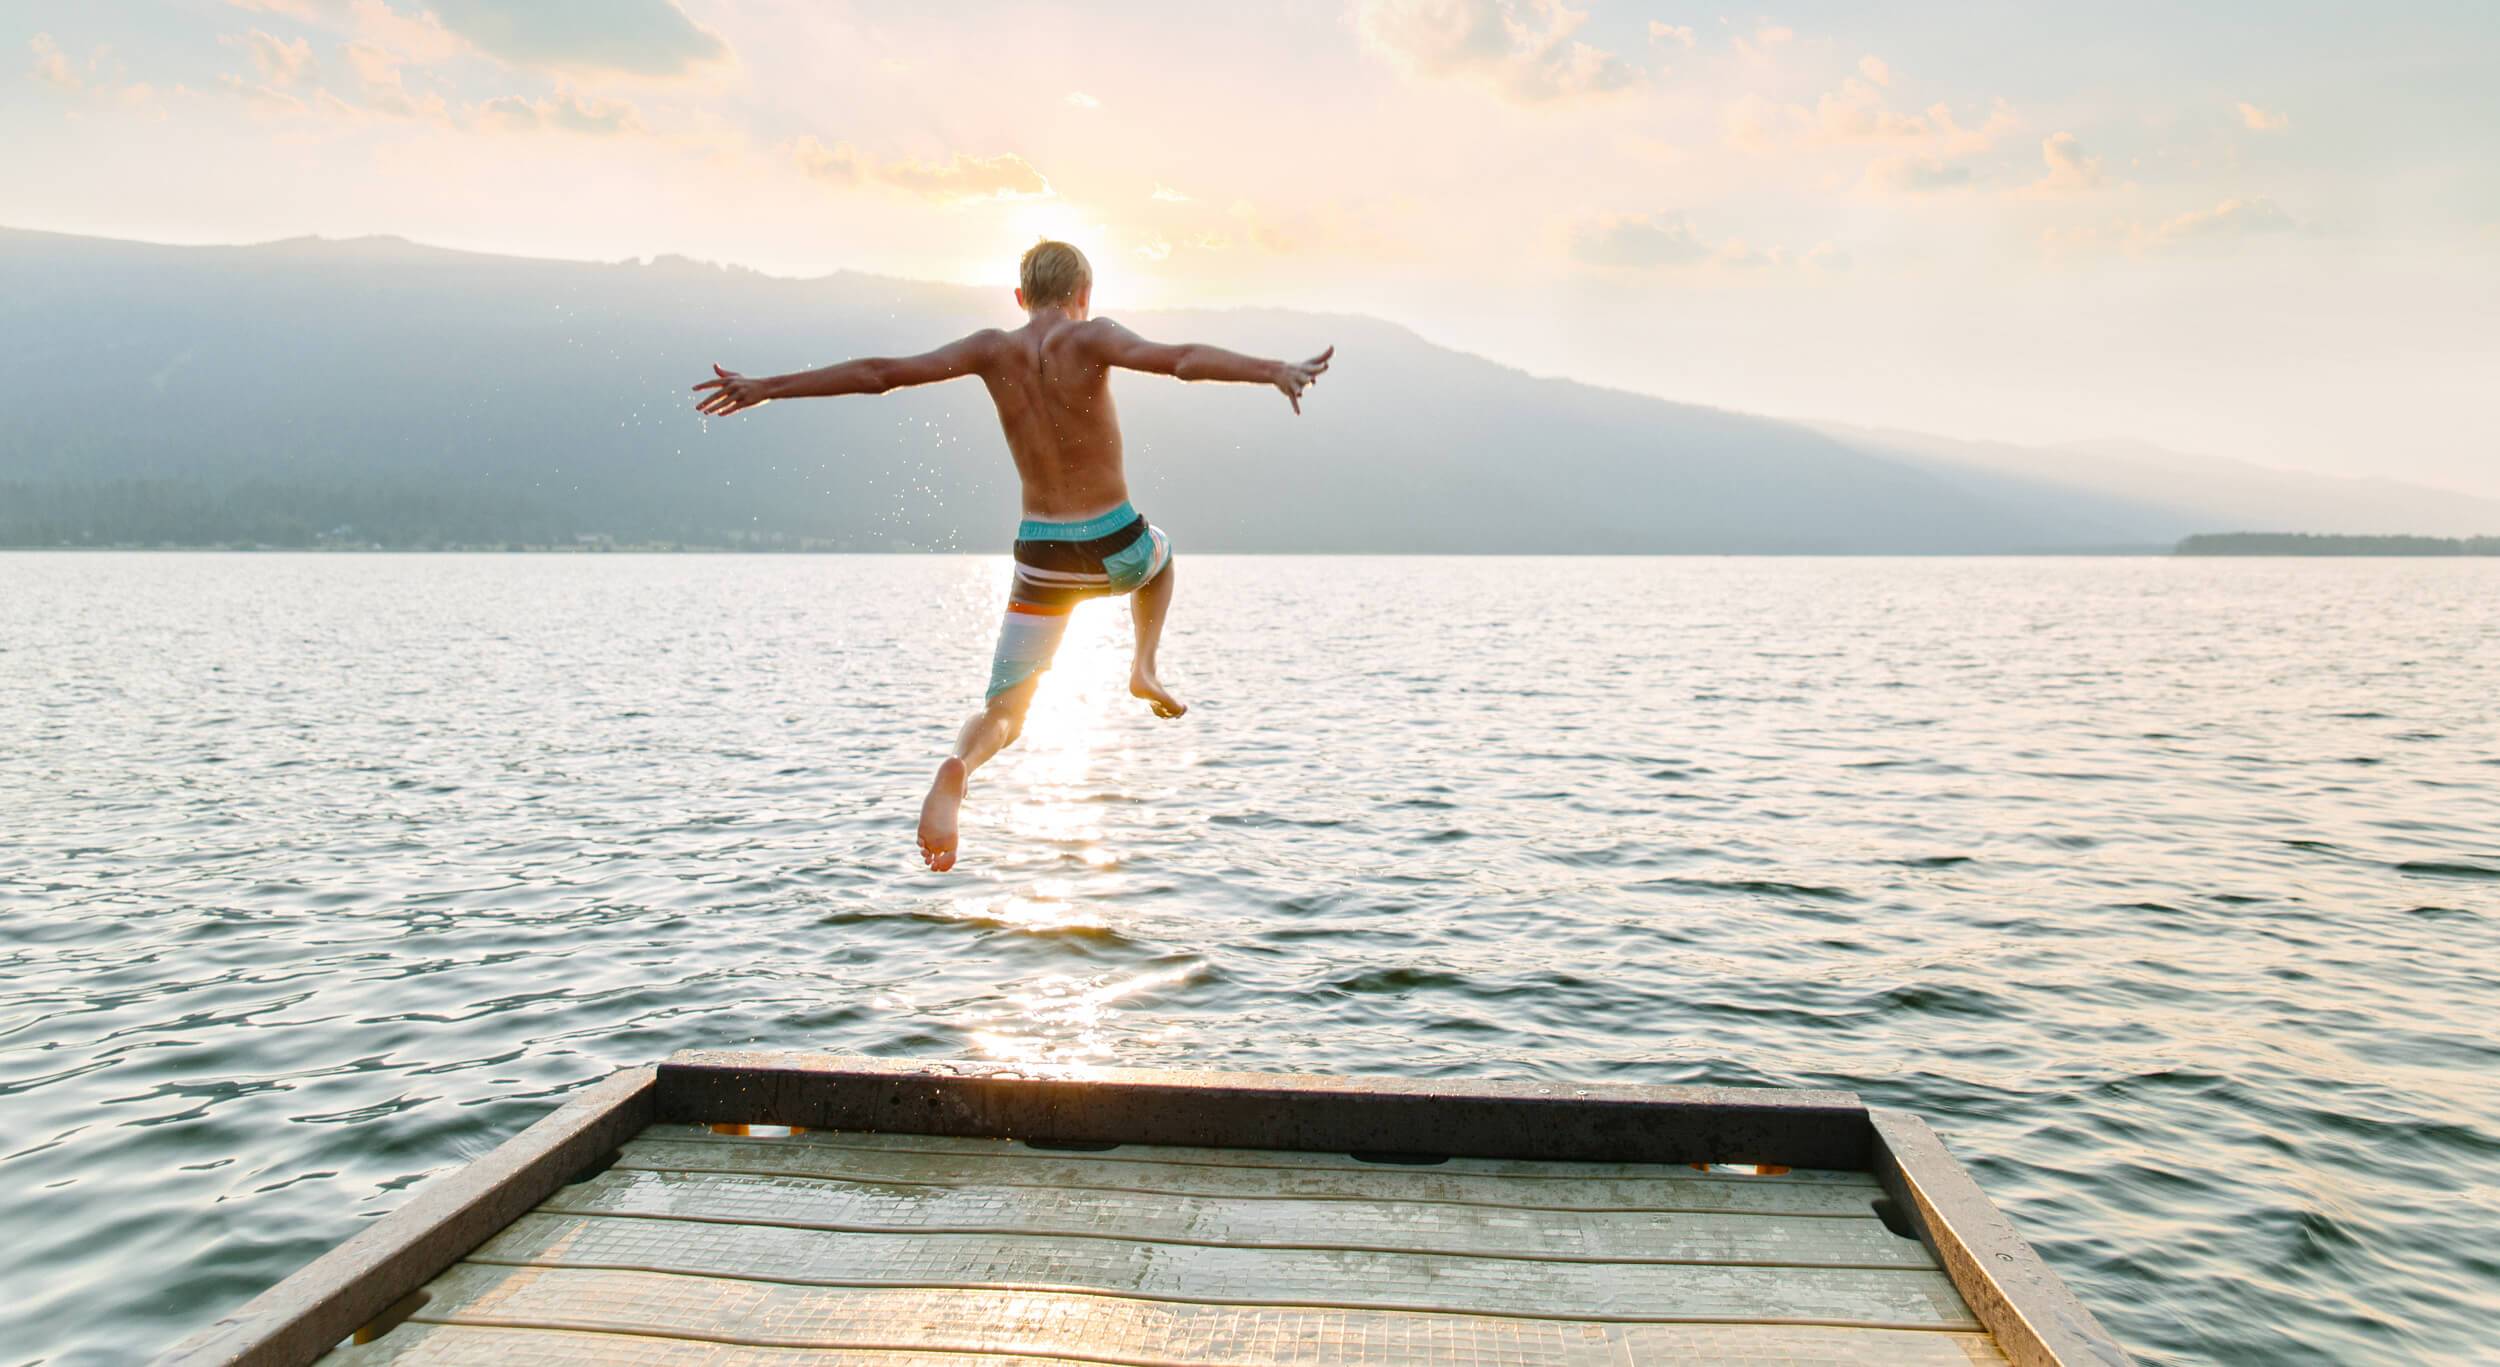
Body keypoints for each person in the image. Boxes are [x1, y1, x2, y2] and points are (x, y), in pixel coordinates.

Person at [694, 240, 1332, 872]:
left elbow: (879, 375)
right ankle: (1144, 667)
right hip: (1114, 537)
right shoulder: (1092, 337)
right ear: (1084, 294)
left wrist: (767, 387)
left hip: (1040, 554)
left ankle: (961, 768)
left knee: (1005, 711)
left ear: (1020, 297)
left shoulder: (988, 350)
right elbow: (1182, 360)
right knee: (1160, 559)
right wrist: (1272, 370)